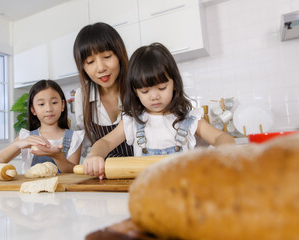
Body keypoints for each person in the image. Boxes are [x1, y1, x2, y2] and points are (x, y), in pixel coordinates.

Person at [84, 43, 235, 179]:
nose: (154, 96)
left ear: (175, 84)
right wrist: (95, 155)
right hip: (146, 195)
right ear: (135, 92)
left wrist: (222, 152)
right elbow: (105, 142)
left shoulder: (189, 119)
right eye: (145, 91)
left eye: (162, 88)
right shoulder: (132, 122)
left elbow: (222, 138)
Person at [0, 80, 84, 173]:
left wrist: (58, 156)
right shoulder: (27, 136)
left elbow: (73, 172)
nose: (49, 109)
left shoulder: (74, 137)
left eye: (54, 102)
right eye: (41, 104)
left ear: (63, 105)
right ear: (33, 110)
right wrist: (17, 145)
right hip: (31, 187)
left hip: (63, 188)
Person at [73, 22, 133, 159]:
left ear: (119, 55)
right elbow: (87, 146)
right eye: (90, 62)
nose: (100, 68)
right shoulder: (82, 96)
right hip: (106, 174)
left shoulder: (137, 87)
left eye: (107, 57)